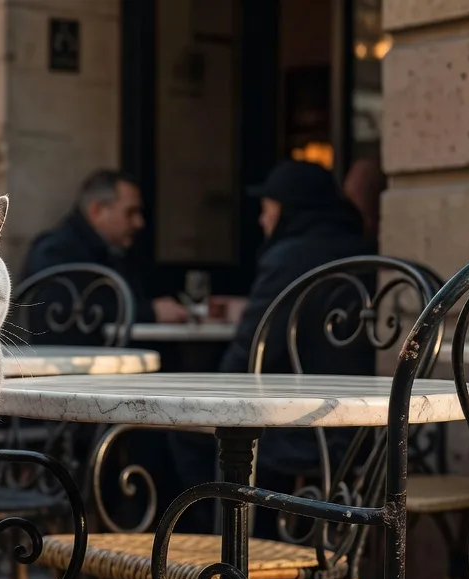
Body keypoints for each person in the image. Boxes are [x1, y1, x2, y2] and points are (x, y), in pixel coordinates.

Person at [168, 160, 375, 530]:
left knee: (187, 434)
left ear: (288, 209)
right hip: (362, 427)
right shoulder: (359, 248)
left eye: (267, 210)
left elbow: (249, 355)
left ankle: (221, 556)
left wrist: (202, 400)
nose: (262, 222)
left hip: (308, 429)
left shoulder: (289, 256)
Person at [21, 170, 189, 343]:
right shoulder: (55, 251)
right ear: (97, 210)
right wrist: (150, 312)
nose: (139, 223)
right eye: (130, 212)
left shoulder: (116, 250)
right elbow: (66, 314)